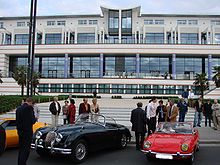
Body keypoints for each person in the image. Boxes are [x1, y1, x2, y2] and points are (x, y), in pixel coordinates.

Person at [16, 97, 36, 165]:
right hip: (27, 133)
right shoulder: (29, 108)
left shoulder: (18, 109)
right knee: (26, 150)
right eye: (33, 104)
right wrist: (35, 118)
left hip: (20, 132)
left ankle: (20, 163)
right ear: (31, 102)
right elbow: (32, 120)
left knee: (21, 149)